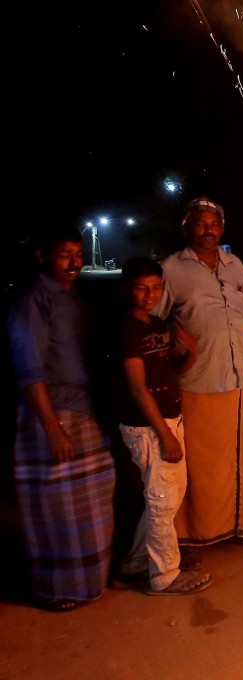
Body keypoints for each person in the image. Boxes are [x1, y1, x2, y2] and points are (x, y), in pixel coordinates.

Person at [7, 226, 116, 612]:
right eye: (63, 254)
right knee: (58, 511)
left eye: (77, 253)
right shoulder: (32, 303)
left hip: (83, 410)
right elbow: (29, 370)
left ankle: (88, 584)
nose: (74, 261)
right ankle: (56, 589)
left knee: (92, 504)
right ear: (42, 256)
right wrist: (53, 427)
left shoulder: (74, 297)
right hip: (52, 415)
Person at [156, 197, 243, 547]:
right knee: (199, 469)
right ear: (186, 227)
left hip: (237, 382)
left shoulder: (236, 266)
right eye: (200, 224)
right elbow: (154, 323)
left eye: (214, 224)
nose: (208, 230)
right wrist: (175, 348)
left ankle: (238, 526)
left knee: (237, 461)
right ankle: (191, 537)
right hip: (198, 382)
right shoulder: (171, 269)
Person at [113, 257, 212, 594]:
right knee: (161, 501)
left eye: (155, 288)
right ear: (127, 289)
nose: (149, 294)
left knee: (167, 497)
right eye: (142, 288)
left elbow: (171, 372)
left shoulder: (156, 326)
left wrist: (192, 353)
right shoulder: (126, 329)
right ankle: (164, 574)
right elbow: (138, 387)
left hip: (169, 420)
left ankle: (136, 562)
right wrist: (165, 433)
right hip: (148, 427)